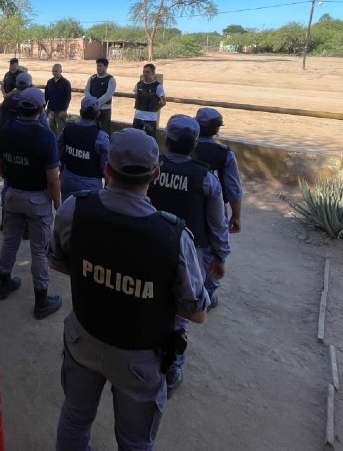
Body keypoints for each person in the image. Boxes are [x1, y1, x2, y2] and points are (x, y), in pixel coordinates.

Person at [50, 128, 209, 451]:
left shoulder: (74, 209)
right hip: (140, 357)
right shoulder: (173, 235)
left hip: (84, 339)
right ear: (156, 174)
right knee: (135, 442)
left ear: (107, 169)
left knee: (75, 418)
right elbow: (197, 311)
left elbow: (57, 262)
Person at [147, 114, 230, 396]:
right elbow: (218, 223)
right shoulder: (205, 178)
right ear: (195, 143)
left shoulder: (151, 166)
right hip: (191, 253)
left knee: (151, 299)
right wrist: (220, 255)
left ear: (166, 139)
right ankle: (172, 367)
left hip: (152, 243)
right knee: (181, 312)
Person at [0, 87, 63, 319]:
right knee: (39, 250)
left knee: (10, 240)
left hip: (13, 195)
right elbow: (52, 178)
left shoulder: (7, 131)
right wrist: (58, 204)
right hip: (37, 200)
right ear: (41, 109)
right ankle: (41, 300)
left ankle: (4, 281)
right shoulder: (46, 136)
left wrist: (12, 179)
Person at [193, 107, 243, 237]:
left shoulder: (187, 148)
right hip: (216, 208)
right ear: (217, 129)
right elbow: (234, 189)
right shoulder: (225, 154)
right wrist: (236, 216)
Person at [57, 96, 109, 200]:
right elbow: (105, 167)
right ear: (97, 114)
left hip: (68, 179)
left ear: (81, 112)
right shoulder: (101, 136)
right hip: (90, 184)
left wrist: (62, 171)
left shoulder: (67, 129)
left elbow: (59, 153)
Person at [132, 63, 166, 137]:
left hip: (151, 118)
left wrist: (155, 108)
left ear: (153, 73)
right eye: (144, 72)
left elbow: (163, 102)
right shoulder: (139, 84)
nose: (145, 74)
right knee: (134, 137)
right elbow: (136, 97)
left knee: (151, 139)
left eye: (147, 72)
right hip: (138, 116)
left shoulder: (158, 86)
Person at [84, 58, 116, 135]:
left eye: (100, 66)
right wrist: (91, 101)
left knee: (105, 131)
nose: (98, 68)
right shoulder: (92, 78)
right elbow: (86, 90)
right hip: (93, 109)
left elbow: (109, 94)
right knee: (92, 130)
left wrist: (96, 102)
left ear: (106, 67)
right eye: (97, 66)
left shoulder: (111, 79)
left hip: (105, 110)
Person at [45, 64, 72, 135]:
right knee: (51, 128)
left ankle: (60, 144)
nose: (54, 73)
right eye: (53, 71)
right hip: (50, 109)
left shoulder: (66, 83)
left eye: (56, 71)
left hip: (61, 110)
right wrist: (43, 107)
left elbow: (68, 97)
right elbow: (46, 96)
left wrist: (64, 110)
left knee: (61, 129)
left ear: (61, 71)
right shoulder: (50, 82)